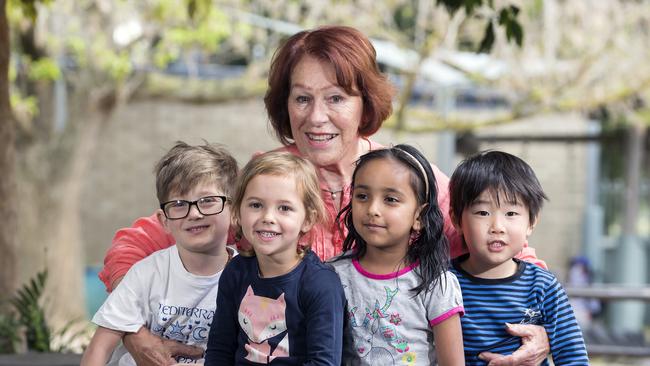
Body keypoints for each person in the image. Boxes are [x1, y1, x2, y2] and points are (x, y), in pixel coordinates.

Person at [99, 25, 549, 365]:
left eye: (335, 98)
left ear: (364, 104)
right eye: (301, 99)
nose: (316, 118)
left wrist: (537, 328)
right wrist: (133, 330)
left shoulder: (409, 179)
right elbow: (135, 246)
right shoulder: (267, 182)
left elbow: (512, 253)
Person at [81, 141, 238, 365]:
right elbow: (98, 349)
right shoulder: (146, 274)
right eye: (179, 204)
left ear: (235, 212)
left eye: (207, 201)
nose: (193, 213)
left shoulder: (250, 276)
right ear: (164, 221)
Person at [448, 150, 589, 365]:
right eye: (483, 213)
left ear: (531, 222)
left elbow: (572, 356)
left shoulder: (543, 286)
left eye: (511, 213)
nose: (497, 227)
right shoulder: (442, 282)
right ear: (457, 220)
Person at [204, 151, 346, 365]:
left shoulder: (320, 284)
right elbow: (220, 349)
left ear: (308, 219)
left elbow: (324, 362)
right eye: (256, 205)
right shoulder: (236, 272)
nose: (268, 217)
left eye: (284, 208)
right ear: (237, 212)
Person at [330, 144, 465, 365]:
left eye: (390, 199)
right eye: (362, 196)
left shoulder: (434, 284)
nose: (372, 209)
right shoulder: (332, 275)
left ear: (419, 217)